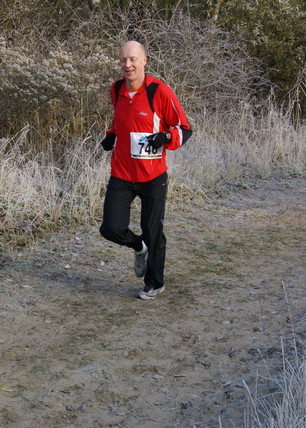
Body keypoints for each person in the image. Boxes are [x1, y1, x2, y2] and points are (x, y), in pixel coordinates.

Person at [99, 40, 192, 300]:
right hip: (121, 174)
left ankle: (154, 283)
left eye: (132, 59)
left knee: (153, 231)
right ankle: (138, 246)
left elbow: (184, 129)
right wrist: (111, 135)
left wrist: (165, 137)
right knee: (109, 228)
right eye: (122, 60)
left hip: (152, 177)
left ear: (144, 60)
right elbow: (121, 120)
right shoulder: (116, 89)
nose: (127, 65)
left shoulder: (159, 92)